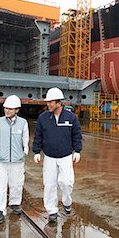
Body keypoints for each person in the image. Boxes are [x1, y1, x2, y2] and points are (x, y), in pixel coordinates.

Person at [33, 87, 82, 223]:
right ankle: (52, 211)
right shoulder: (43, 118)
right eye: (48, 102)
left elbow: (77, 135)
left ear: (59, 103)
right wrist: (36, 151)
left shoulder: (71, 117)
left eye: (51, 102)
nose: (48, 104)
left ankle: (67, 202)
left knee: (66, 182)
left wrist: (77, 151)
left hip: (66, 156)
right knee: (49, 185)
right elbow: (38, 136)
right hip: (49, 157)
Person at [0, 95, 29, 224]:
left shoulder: (23, 123)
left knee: (16, 183)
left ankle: (15, 203)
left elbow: (25, 139)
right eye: (5, 108)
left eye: (10, 109)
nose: (7, 111)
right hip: (1, 160)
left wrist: (24, 152)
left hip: (17, 161)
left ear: (17, 110)